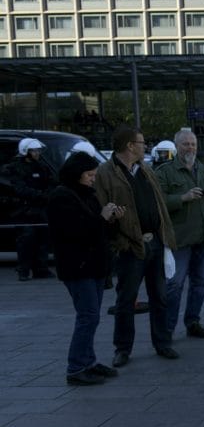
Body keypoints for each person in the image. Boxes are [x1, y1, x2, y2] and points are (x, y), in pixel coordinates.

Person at [94, 126, 179, 368]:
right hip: (130, 246)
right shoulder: (106, 172)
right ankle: (122, 348)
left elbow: (158, 204)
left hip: (156, 243)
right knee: (126, 299)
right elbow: (101, 208)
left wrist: (165, 236)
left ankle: (162, 342)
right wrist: (116, 230)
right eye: (142, 143)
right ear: (130, 146)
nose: (145, 147)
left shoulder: (145, 169)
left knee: (159, 296)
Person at [47, 152, 125, 385]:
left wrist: (112, 219)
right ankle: (76, 367)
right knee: (87, 316)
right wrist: (102, 218)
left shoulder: (88, 195)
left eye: (94, 174)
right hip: (78, 266)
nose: (93, 179)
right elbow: (75, 232)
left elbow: (101, 233)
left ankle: (88, 361)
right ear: (77, 174)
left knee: (91, 316)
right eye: (90, 175)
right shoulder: (62, 197)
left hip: (94, 265)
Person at [156, 128, 204, 339]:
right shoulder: (165, 172)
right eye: (185, 144)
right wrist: (183, 198)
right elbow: (157, 202)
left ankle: (193, 321)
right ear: (176, 147)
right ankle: (167, 329)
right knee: (174, 285)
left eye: (193, 144)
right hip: (180, 239)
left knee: (200, 283)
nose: (190, 148)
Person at [5, 138, 56, 281]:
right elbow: (19, 188)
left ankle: (41, 269)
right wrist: (40, 195)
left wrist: (48, 194)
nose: (37, 153)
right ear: (25, 151)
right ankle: (23, 270)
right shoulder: (15, 168)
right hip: (24, 210)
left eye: (38, 150)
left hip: (41, 208)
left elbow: (52, 182)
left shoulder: (42, 167)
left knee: (43, 238)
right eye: (34, 150)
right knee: (26, 240)